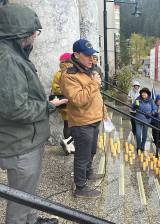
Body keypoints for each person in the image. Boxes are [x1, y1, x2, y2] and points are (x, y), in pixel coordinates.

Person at [0, 4, 67, 224]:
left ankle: (32, 219)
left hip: (26, 141)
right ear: (18, 33)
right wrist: (48, 106)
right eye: (32, 33)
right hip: (20, 146)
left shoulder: (13, 53)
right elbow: (15, 109)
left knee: (29, 193)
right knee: (19, 202)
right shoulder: (8, 60)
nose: (35, 37)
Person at [60, 39, 107, 198]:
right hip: (82, 123)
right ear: (76, 54)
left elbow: (96, 96)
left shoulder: (87, 70)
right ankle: (80, 187)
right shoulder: (69, 75)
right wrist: (94, 84)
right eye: (87, 55)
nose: (91, 58)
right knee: (82, 155)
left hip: (94, 119)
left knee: (92, 150)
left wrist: (103, 113)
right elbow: (78, 100)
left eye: (92, 55)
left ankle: (88, 173)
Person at [51, 52, 75, 155]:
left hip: (63, 103)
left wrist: (63, 92)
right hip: (73, 102)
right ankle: (69, 144)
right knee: (75, 125)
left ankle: (69, 145)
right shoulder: (73, 72)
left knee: (66, 125)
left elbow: (55, 88)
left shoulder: (59, 73)